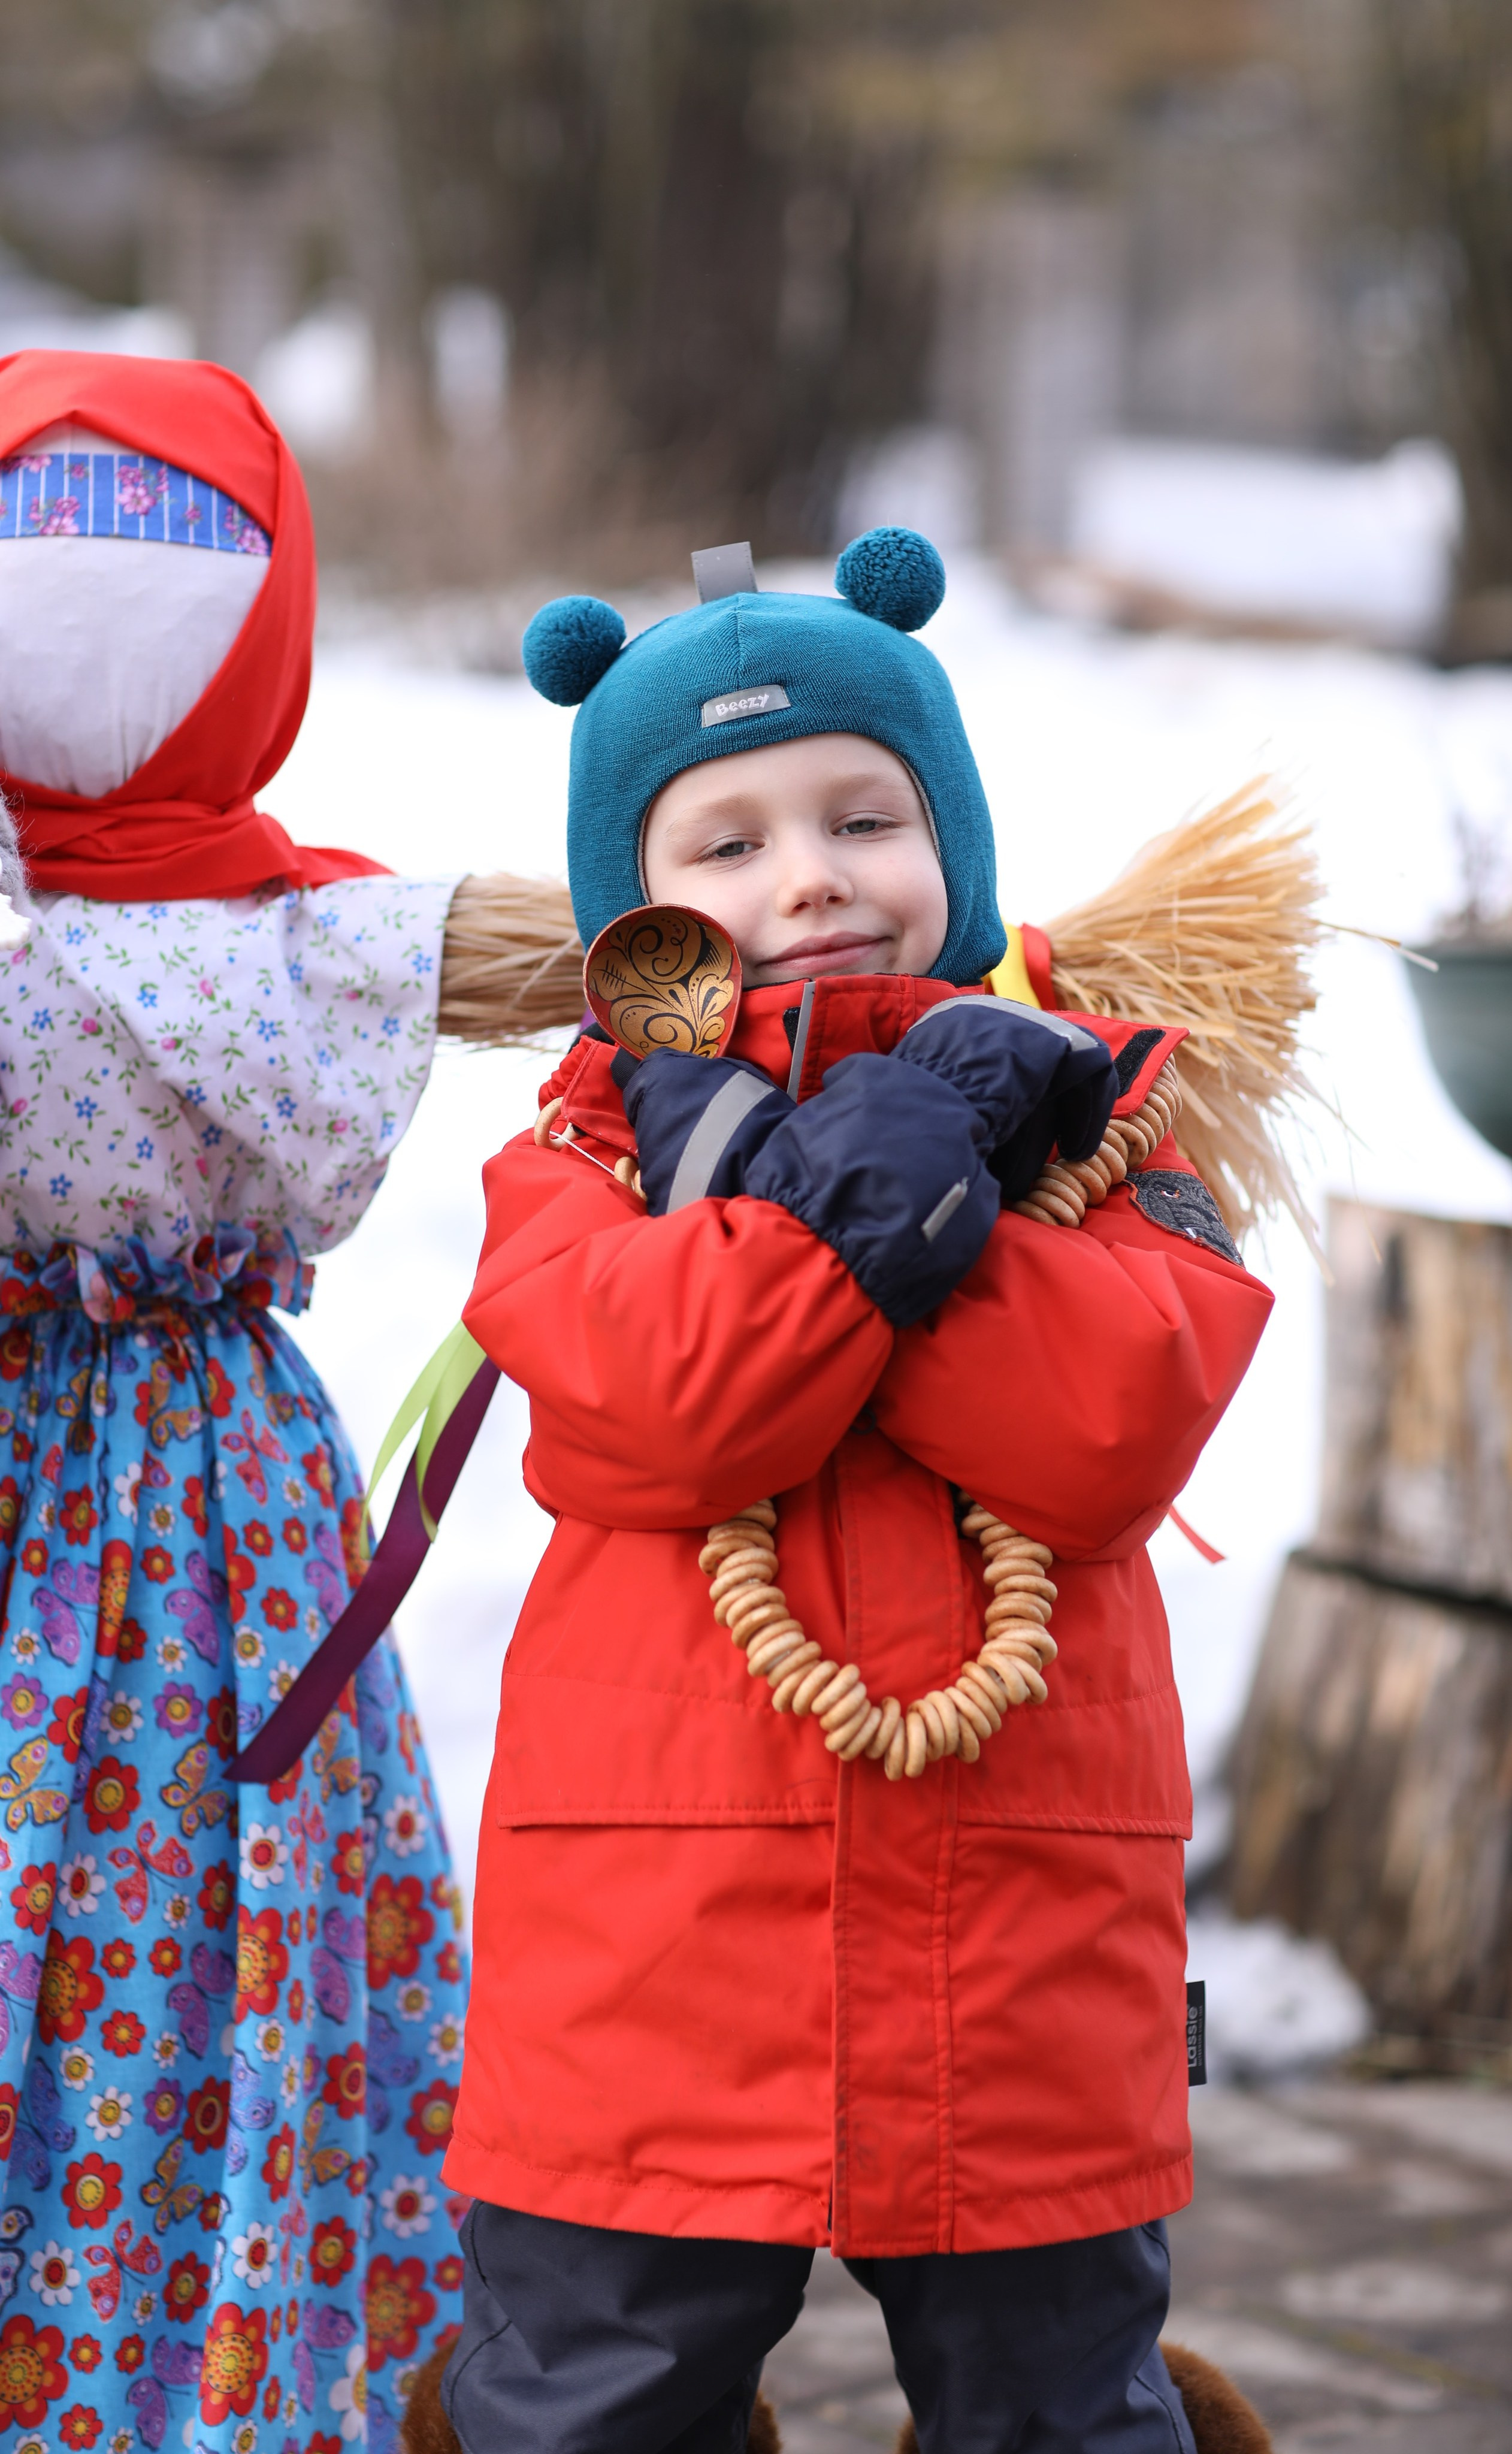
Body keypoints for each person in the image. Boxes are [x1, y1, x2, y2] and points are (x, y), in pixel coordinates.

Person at [433, 530, 1275, 2454]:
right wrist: (871, 1197)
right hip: (653, 1936)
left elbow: (1103, 1433)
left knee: (1054, 2405)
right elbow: (674, 1409)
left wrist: (920, 1164)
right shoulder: (571, 1166)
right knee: (595, 2399)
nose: (807, 875)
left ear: (950, 845)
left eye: (863, 819)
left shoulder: (1111, 1126)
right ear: (632, 918)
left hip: (1022, 1934)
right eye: (724, 844)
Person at [0, 350, 468, 2453]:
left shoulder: (312, 942)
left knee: (203, 1877)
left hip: (210, 1521)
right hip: (213, 1484)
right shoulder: (308, 958)